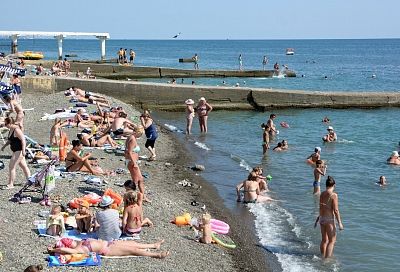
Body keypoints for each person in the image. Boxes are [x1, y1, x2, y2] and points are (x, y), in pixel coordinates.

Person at [47, 237, 169, 258]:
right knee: (133, 251)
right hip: (108, 250)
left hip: (109, 243)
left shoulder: (78, 242)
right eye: (67, 241)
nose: (70, 240)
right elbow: (63, 250)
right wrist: (53, 250)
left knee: (132, 243)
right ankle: (157, 255)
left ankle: (154, 245)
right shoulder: (77, 249)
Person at [316, 176, 344, 259]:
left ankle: (322, 256)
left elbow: (321, 207)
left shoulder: (322, 194)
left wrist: (318, 219)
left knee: (324, 240)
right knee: (332, 241)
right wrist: (340, 223)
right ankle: (326, 260)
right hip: (329, 220)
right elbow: (335, 210)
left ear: (326, 185)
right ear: (334, 185)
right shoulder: (334, 195)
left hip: (322, 219)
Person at [1, 117, 31, 189]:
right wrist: (4, 146)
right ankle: (30, 181)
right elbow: (10, 140)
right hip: (15, 150)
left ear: (10, 123)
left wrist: (24, 150)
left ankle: (11, 184)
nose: (5, 125)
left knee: (11, 166)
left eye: (6, 124)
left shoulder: (16, 130)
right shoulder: (11, 129)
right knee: (24, 166)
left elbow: (23, 140)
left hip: (19, 151)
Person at [125, 126, 150, 202]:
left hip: (132, 161)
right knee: (135, 181)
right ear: (138, 132)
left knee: (140, 179)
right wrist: (134, 163)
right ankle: (130, 197)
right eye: (141, 134)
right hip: (132, 162)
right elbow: (129, 152)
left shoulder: (131, 137)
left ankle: (143, 196)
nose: (141, 135)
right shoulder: (132, 139)